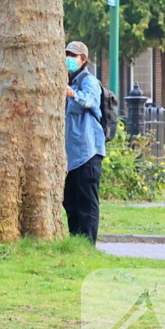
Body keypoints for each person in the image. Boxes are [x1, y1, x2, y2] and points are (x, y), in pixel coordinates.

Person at [64, 41, 106, 243]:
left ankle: (88, 244)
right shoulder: (66, 80)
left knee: (87, 202)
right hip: (71, 156)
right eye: (67, 54)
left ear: (83, 59)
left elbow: (90, 100)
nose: (69, 59)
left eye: (74, 56)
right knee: (70, 202)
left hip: (88, 153)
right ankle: (75, 243)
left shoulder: (88, 81)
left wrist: (73, 94)